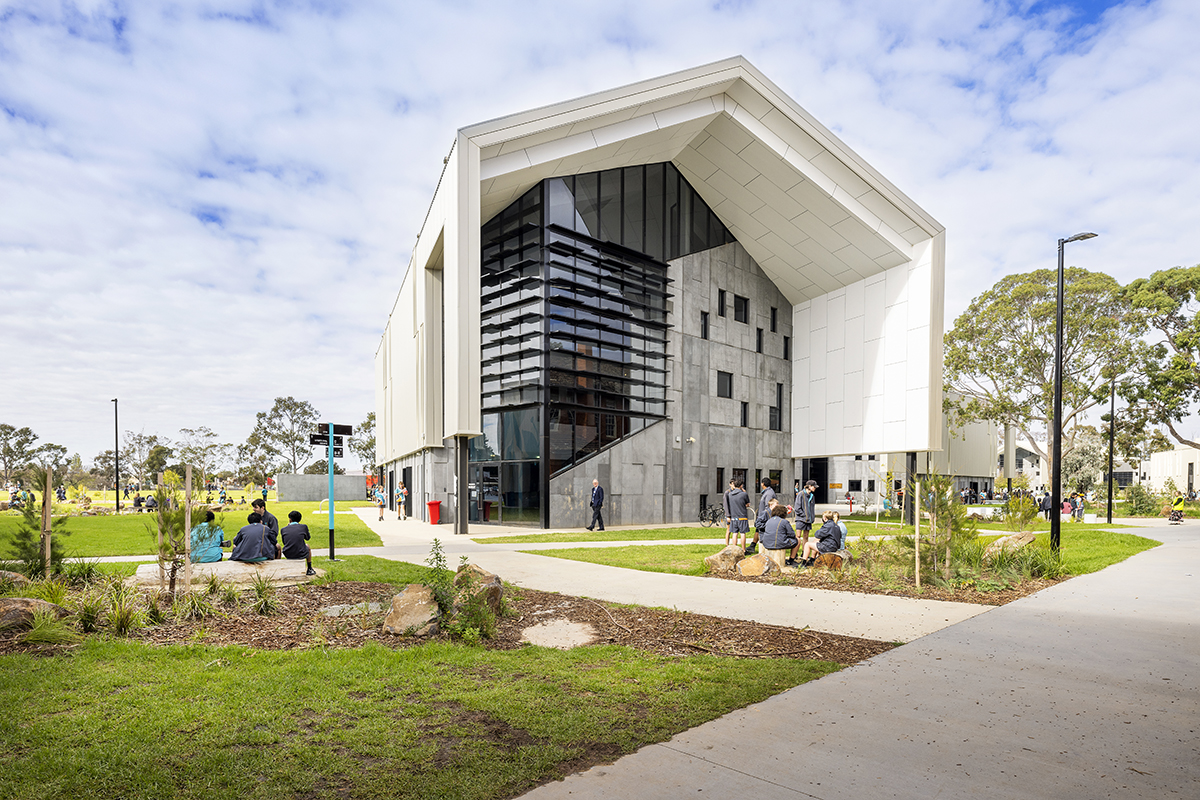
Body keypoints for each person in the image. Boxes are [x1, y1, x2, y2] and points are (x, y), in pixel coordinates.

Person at [746, 477, 777, 555]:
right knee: (758, 530)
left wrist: (764, 516)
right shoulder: (766, 492)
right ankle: (752, 545)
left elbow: (768, 506)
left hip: (764, 517)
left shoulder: (769, 493)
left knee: (761, 531)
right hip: (762, 516)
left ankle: (758, 546)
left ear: (763, 484)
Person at [280, 510, 316, 576]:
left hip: (288, 553)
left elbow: (284, 542)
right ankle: (309, 568)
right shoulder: (303, 527)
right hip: (301, 553)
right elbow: (307, 538)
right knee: (307, 546)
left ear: (290, 519)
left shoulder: (284, 529)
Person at [726, 478, 751, 550]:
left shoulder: (730, 494)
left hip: (734, 517)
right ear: (741, 485)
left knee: (734, 533)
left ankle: (734, 549)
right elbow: (748, 504)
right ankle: (743, 550)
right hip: (742, 516)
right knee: (742, 533)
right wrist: (744, 492)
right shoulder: (744, 494)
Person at [796, 480, 818, 548]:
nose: (815, 488)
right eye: (814, 487)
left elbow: (812, 508)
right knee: (798, 536)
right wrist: (804, 515)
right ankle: (794, 554)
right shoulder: (801, 494)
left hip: (808, 520)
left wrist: (812, 517)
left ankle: (804, 553)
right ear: (809, 486)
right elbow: (797, 508)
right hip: (800, 519)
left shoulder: (812, 496)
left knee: (806, 537)